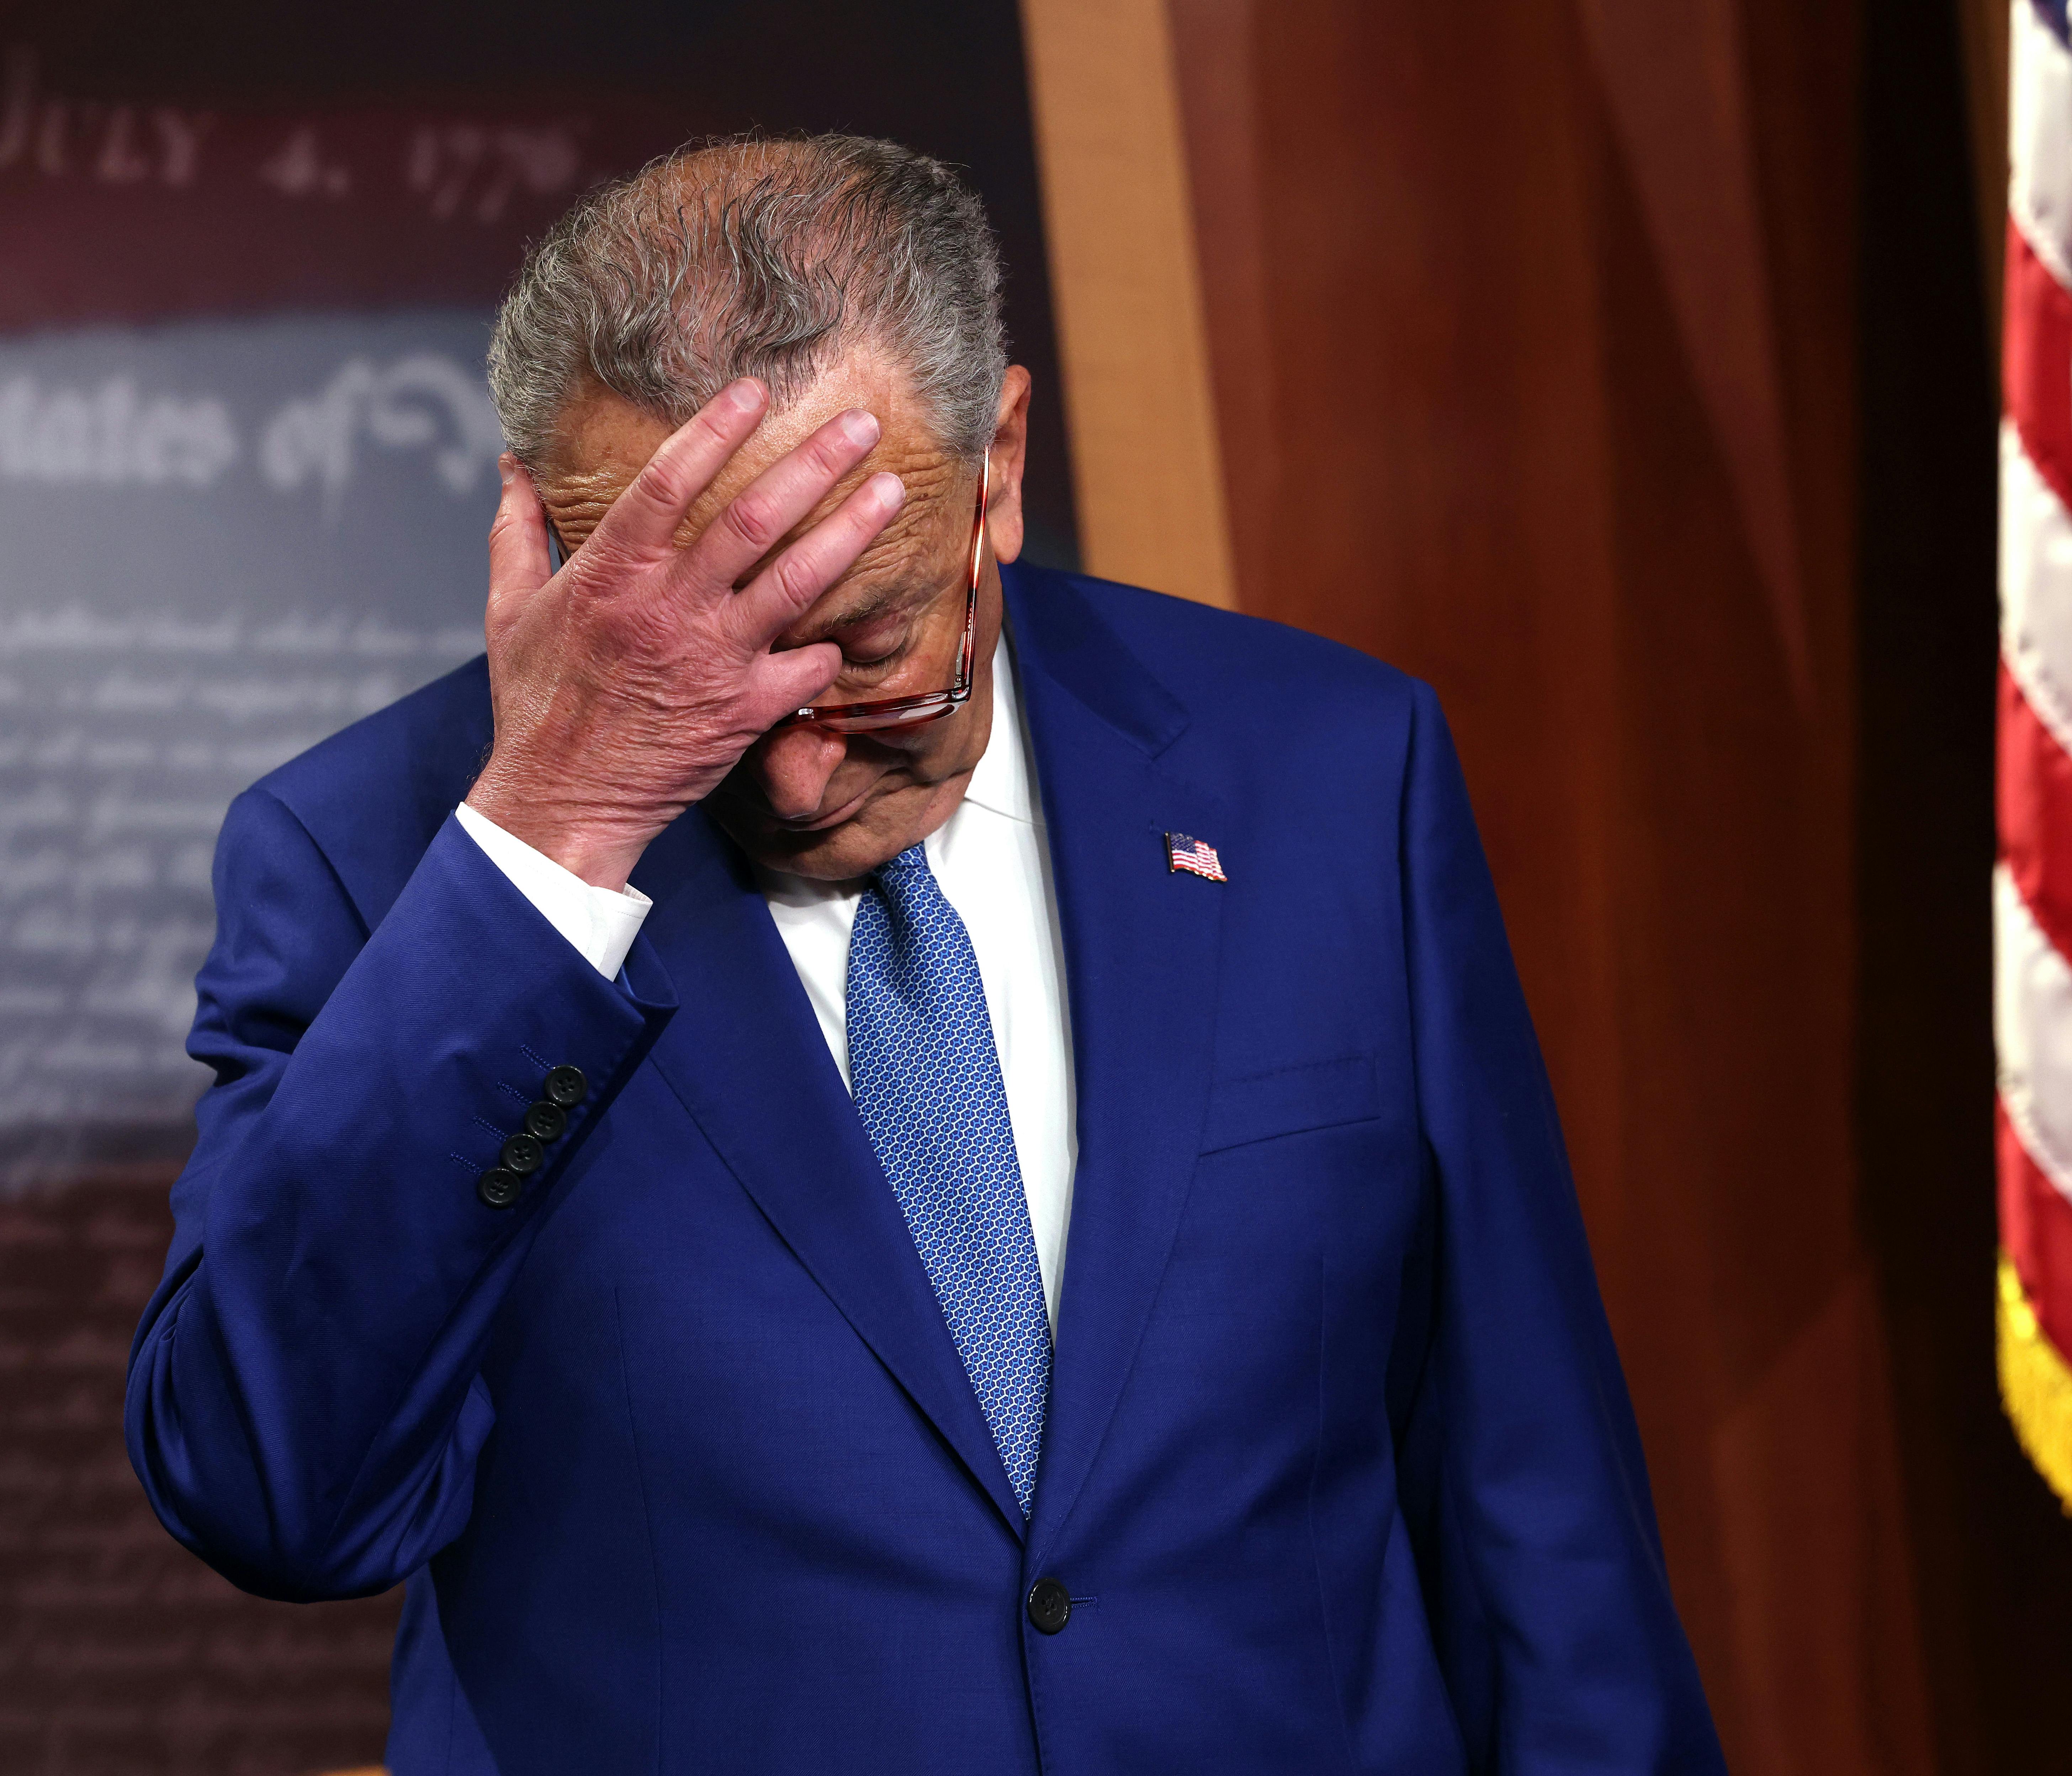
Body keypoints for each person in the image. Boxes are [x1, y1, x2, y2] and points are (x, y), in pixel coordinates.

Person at [125, 134, 1723, 1774]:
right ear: (545, 534)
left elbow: (1535, 1513)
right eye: (713, 666)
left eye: (872, 652)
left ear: (1002, 462)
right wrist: (555, 831)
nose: (801, 763)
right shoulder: (374, 863)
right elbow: (274, 1496)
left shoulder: (1327, 772)